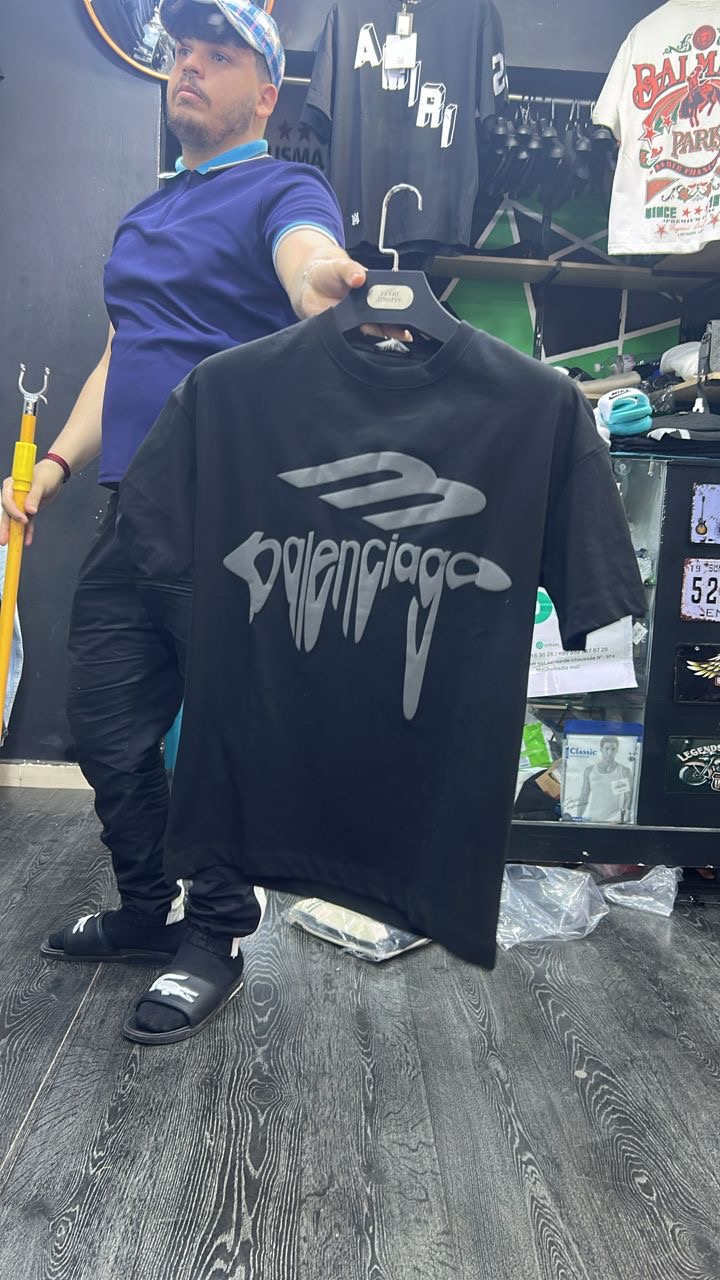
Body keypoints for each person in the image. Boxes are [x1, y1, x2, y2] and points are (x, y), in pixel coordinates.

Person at [0, 0, 390, 1046]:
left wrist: (322, 283)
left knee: (218, 738)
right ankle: (146, 909)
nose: (190, 68)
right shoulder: (146, 215)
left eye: (219, 56)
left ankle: (214, 936)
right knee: (102, 724)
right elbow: (123, 351)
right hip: (130, 505)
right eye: (183, 52)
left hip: (228, 508)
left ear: (265, 93)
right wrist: (57, 463)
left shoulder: (285, 189)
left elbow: (305, 259)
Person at [576, 736, 634, 823]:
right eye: (606, 748)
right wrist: (577, 819)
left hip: (615, 822)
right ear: (601, 749)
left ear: (617, 750)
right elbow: (584, 796)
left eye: (613, 749)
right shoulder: (590, 771)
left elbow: (628, 797)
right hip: (592, 819)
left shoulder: (624, 771)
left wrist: (623, 819)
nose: (610, 752)